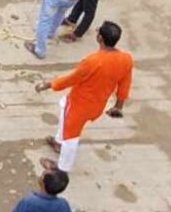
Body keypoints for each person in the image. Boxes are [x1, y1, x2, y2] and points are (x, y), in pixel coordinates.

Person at [39, 20, 131, 173]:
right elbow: (125, 84)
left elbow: (72, 79)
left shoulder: (93, 61)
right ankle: (58, 141)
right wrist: (118, 107)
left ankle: (62, 168)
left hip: (78, 105)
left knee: (71, 136)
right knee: (63, 110)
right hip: (97, 105)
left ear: (100, 38)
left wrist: (49, 84)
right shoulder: (125, 59)